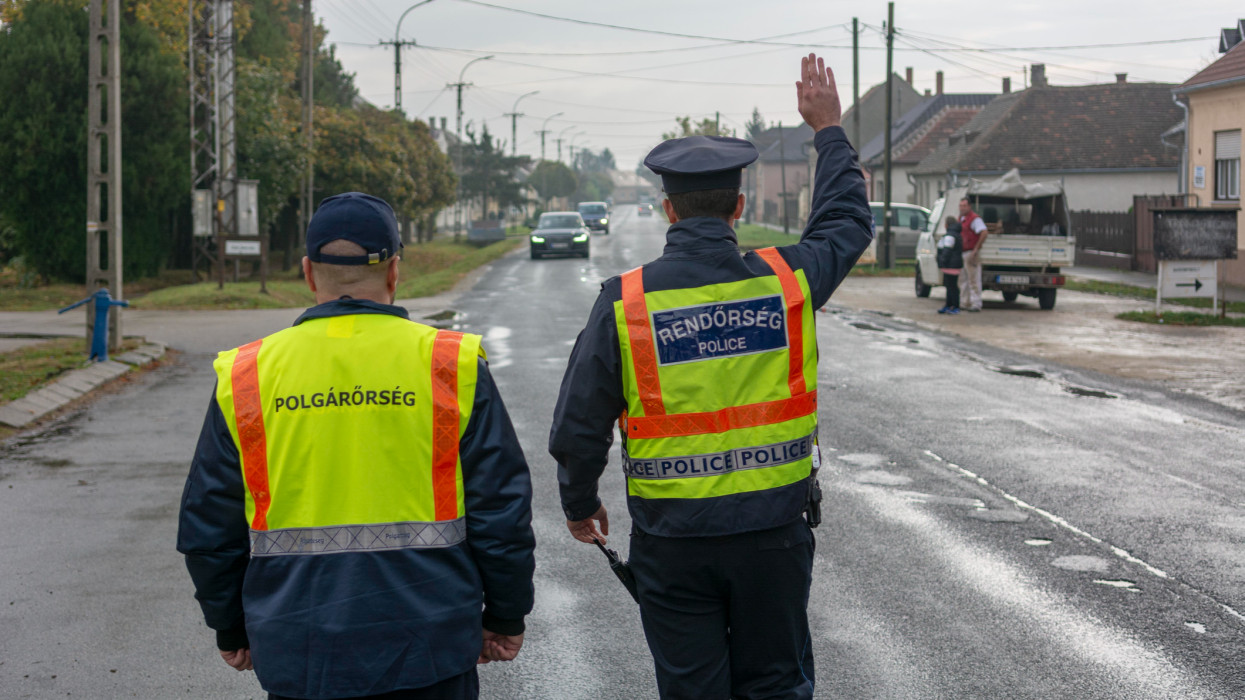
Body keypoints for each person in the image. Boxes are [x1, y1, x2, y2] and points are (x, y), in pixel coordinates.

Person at [548, 54, 872, 700]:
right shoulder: (787, 282)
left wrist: (579, 503)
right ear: (739, 206)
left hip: (673, 545)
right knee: (775, 686)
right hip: (773, 539)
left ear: (668, 209)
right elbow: (845, 223)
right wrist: (828, 131)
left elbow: (579, 422)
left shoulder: (626, 302)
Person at [177, 192, 536, 700]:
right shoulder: (449, 364)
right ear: (394, 272)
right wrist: (505, 614)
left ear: (308, 273)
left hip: (299, 650)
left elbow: (209, 525)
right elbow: (501, 511)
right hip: (430, 648)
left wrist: (230, 625)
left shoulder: (247, 375)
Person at [958, 197, 990, 311]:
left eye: (964, 206)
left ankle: (976, 303)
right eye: (961, 206)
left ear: (969, 206)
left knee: (973, 279)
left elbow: (984, 232)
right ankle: (965, 302)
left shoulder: (974, 219)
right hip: (962, 252)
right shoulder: (961, 218)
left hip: (971, 252)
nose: (962, 208)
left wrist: (976, 249)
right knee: (963, 280)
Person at [937, 215, 964, 314]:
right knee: (950, 286)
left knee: (952, 286)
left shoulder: (950, 236)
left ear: (946, 225)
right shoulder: (956, 234)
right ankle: (949, 305)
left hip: (950, 265)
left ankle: (955, 306)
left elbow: (947, 250)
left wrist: (942, 261)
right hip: (954, 265)